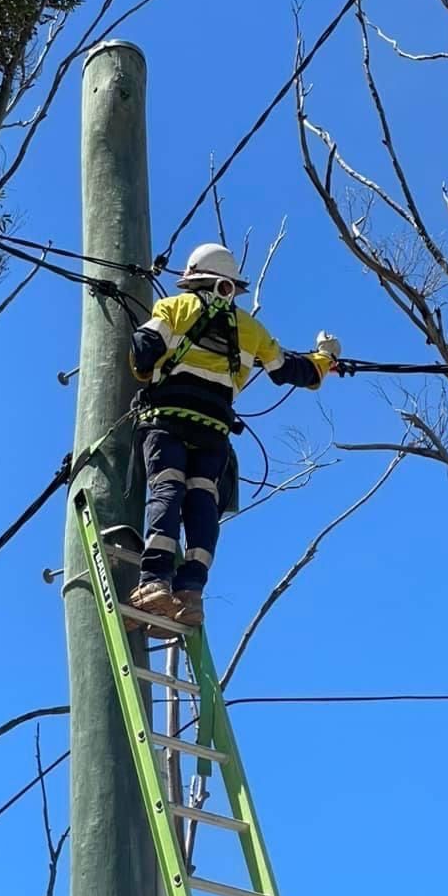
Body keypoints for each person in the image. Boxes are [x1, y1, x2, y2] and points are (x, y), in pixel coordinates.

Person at [127, 243, 340, 628]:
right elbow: (293, 371)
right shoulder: (251, 330)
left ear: (194, 279)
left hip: (169, 420)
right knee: (202, 499)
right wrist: (326, 359)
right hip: (213, 431)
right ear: (229, 286)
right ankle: (191, 591)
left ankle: (155, 582)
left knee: (167, 488)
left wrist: (145, 372)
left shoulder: (176, 308)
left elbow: (146, 347)